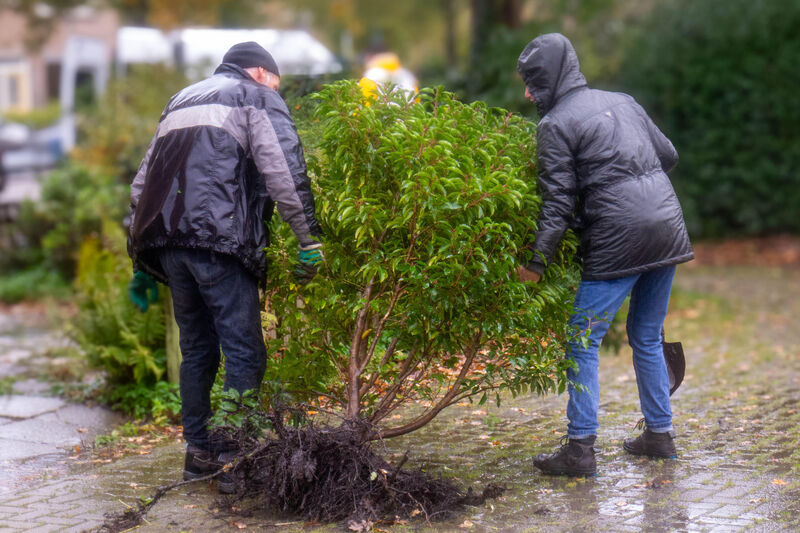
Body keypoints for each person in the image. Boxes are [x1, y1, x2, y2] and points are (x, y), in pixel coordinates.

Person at [127, 41, 323, 492]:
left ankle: (198, 456)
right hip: (220, 243)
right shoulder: (255, 97)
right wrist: (308, 239)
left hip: (170, 245)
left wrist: (139, 257)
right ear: (259, 72)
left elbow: (142, 185)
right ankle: (237, 459)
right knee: (245, 352)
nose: (279, 90)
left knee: (197, 350)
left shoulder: (181, 98)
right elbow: (284, 172)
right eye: (277, 82)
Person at [515, 33, 693, 476]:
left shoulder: (555, 125)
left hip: (618, 238)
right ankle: (660, 435)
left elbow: (556, 203)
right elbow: (668, 155)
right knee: (647, 336)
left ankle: (580, 449)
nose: (527, 92)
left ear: (551, 77)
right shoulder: (626, 101)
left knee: (582, 339)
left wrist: (536, 263)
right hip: (666, 228)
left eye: (532, 81)